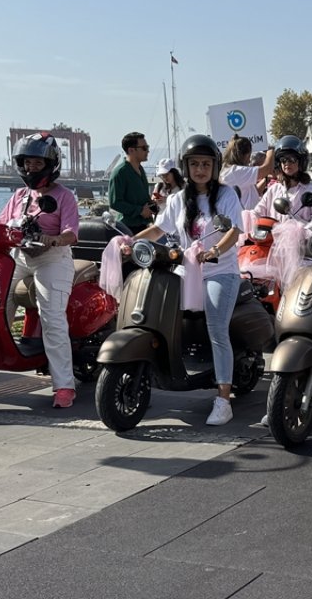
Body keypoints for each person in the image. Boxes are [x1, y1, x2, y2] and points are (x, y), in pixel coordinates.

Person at [130, 135, 245, 425]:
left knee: (217, 329)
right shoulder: (178, 199)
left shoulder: (227, 195)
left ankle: (223, 398)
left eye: (206, 164)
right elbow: (159, 229)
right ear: (186, 167)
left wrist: (216, 250)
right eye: (194, 164)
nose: (201, 170)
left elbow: (233, 231)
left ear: (215, 166)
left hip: (220, 271)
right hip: (185, 270)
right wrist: (129, 242)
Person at [0, 134, 81, 408]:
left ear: (50, 163)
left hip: (52, 258)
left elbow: (70, 232)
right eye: (27, 162)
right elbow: (0, 224)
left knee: (52, 318)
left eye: (37, 162)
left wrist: (55, 239)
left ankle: (64, 386)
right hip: (20, 254)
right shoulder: (20, 195)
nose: (31, 167)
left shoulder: (64, 196)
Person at [254, 136, 312, 222]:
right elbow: (257, 212)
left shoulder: (311, 190)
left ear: (301, 162)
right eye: (283, 160)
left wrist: (304, 230)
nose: (287, 163)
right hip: (273, 235)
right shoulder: (274, 189)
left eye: (292, 159)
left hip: (302, 235)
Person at [108, 132, 156, 234]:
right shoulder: (120, 173)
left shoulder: (141, 169)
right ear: (131, 150)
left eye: (147, 147)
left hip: (145, 226)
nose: (147, 151)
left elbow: (142, 197)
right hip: (128, 228)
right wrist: (140, 211)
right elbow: (115, 202)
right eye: (144, 148)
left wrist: (153, 205)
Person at [220, 134, 276, 211]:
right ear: (244, 155)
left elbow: (253, 193)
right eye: (249, 156)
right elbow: (267, 169)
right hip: (245, 219)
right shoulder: (235, 171)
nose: (249, 160)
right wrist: (270, 151)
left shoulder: (229, 171)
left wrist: (266, 179)